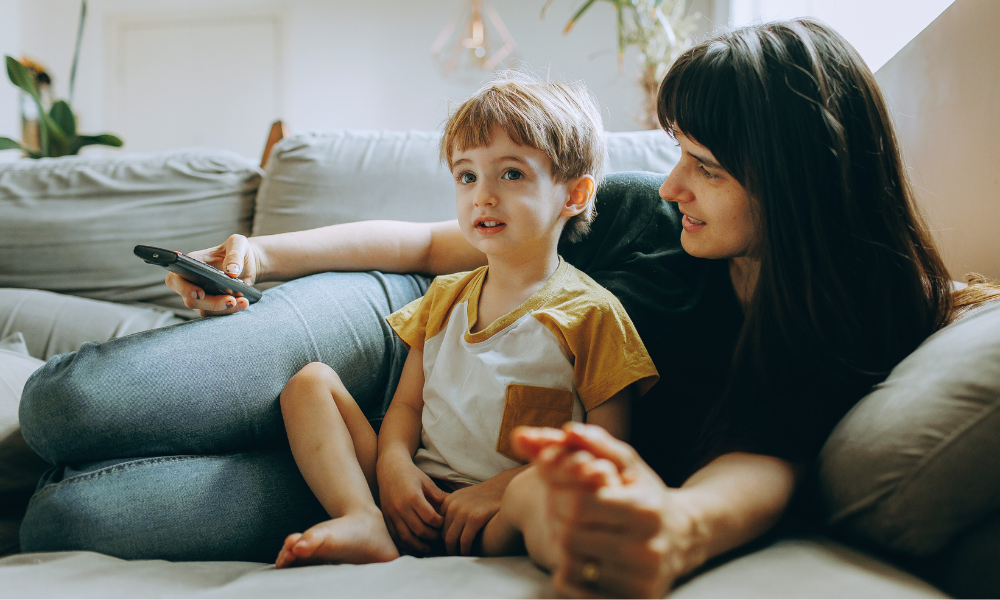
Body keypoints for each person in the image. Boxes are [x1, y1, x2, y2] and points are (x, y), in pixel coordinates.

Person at [15, 17, 967, 598]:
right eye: (678, 153)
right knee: (67, 407)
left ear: (800, 183)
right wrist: (264, 250)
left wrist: (675, 526)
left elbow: (768, 456)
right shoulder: (645, 221)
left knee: (65, 523)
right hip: (401, 330)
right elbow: (435, 246)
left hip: (430, 472)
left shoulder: (829, 324)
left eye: (706, 168)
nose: (672, 184)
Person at [272, 76, 657, 567]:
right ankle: (362, 518)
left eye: (511, 174)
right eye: (466, 176)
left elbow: (608, 446)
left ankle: (579, 560)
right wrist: (393, 467)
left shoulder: (592, 314)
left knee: (545, 490)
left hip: (497, 516)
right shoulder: (445, 297)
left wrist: (500, 489)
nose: (483, 196)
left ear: (575, 196)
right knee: (310, 383)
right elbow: (407, 408)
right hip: (413, 499)